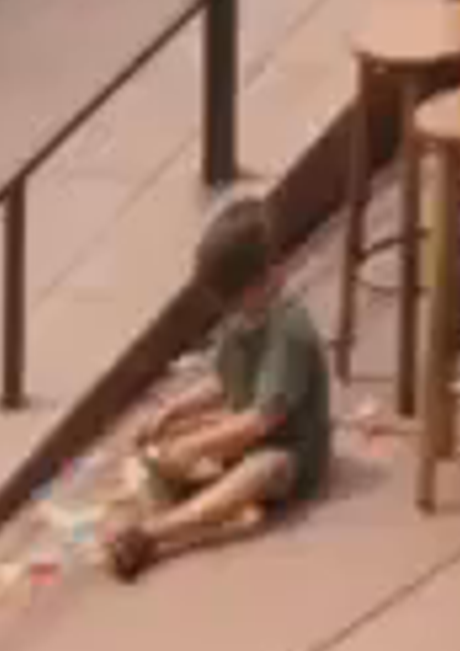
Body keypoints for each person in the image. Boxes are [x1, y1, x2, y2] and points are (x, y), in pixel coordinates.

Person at [101, 192, 332, 579]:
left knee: (263, 467)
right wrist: (172, 412)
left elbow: (261, 421)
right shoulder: (240, 321)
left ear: (264, 279)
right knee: (164, 441)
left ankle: (154, 533)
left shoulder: (288, 329)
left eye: (237, 299)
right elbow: (222, 381)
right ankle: (178, 493)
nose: (233, 310)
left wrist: (196, 446)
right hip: (244, 427)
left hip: (290, 451)